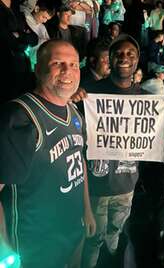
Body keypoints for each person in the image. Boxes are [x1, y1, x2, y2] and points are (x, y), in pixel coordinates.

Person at [72, 34, 164, 268]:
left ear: (137, 61)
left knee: (116, 236)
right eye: (118, 54)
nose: (124, 57)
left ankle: (111, 261)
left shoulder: (147, 99)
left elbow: (161, 138)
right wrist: (71, 99)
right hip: (94, 186)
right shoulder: (89, 92)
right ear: (110, 60)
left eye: (130, 54)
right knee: (93, 240)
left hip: (127, 187)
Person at [0, 39, 96, 268]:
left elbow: (78, 160)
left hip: (72, 230)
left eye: (73, 64)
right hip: (34, 245)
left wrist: (87, 209)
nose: (67, 71)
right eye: (57, 63)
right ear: (38, 68)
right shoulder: (20, 117)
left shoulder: (73, 111)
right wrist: (3, 246)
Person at [0, 0, 38, 103]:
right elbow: (7, 41)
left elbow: (34, 38)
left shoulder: (18, 12)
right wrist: (21, 36)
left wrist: (18, 36)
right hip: (5, 75)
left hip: (23, 72)